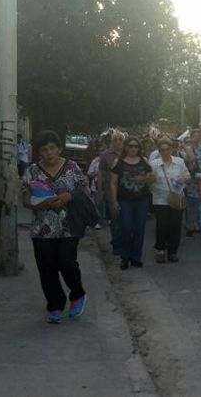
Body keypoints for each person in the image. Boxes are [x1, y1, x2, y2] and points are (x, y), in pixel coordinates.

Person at [21, 130, 88, 324]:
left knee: (67, 263)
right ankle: (55, 304)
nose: (49, 153)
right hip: (42, 228)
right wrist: (39, 204)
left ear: (59, 148)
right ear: (39, 152)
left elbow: (84, 189)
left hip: (69, 226)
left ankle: (77, 294)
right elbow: (25, 196)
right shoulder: (32, 170)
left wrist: (69, 196)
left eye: (52, 148)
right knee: (47, 268)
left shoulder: (72, 167)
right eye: (44, 150)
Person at [110, 136, 154, 269]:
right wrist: (114, 200)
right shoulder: (119, 162)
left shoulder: (144, 161)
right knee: (126, 227)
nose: (133, 149)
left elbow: (152, 177)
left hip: (142, 199)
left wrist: (145, 178)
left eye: (136, 146)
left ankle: (136, 257)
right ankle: (125, 257)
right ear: (126, 147)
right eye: (131, 146)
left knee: (139, 229)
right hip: (125, 200)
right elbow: (113, 182)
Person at [150, 138, 190, 263]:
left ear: (172, 149)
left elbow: (188, 175)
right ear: (159, 151)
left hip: (176, 197)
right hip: (160, 198)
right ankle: (161, 250)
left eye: (167, 149)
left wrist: (184, 179)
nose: (165, 152)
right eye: (162, 150)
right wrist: (149, 179)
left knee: (175, 225)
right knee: (162, 225)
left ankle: (173, 251)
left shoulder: (179, 161)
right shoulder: (154, 164)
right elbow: (149, 181)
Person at [183, 131, 201, 242]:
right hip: (189, 183)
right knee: (190, 208)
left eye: (198, 136)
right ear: (190, 138)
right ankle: (190, 228)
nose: (196, 138)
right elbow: (183, 165)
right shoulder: (186, 150)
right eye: (194, 136)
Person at [99, 130, 125, 254]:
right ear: (111, 141)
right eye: (115, 139)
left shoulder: (128, 153)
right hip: (111, 192)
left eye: (120, 139)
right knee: (115, 219)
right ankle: (116, 244)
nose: (118, 142)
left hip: (127, 192)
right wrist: (100, 192)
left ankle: (125, 243)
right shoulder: (105, 155)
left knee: (125, 220)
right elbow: (101, 174)